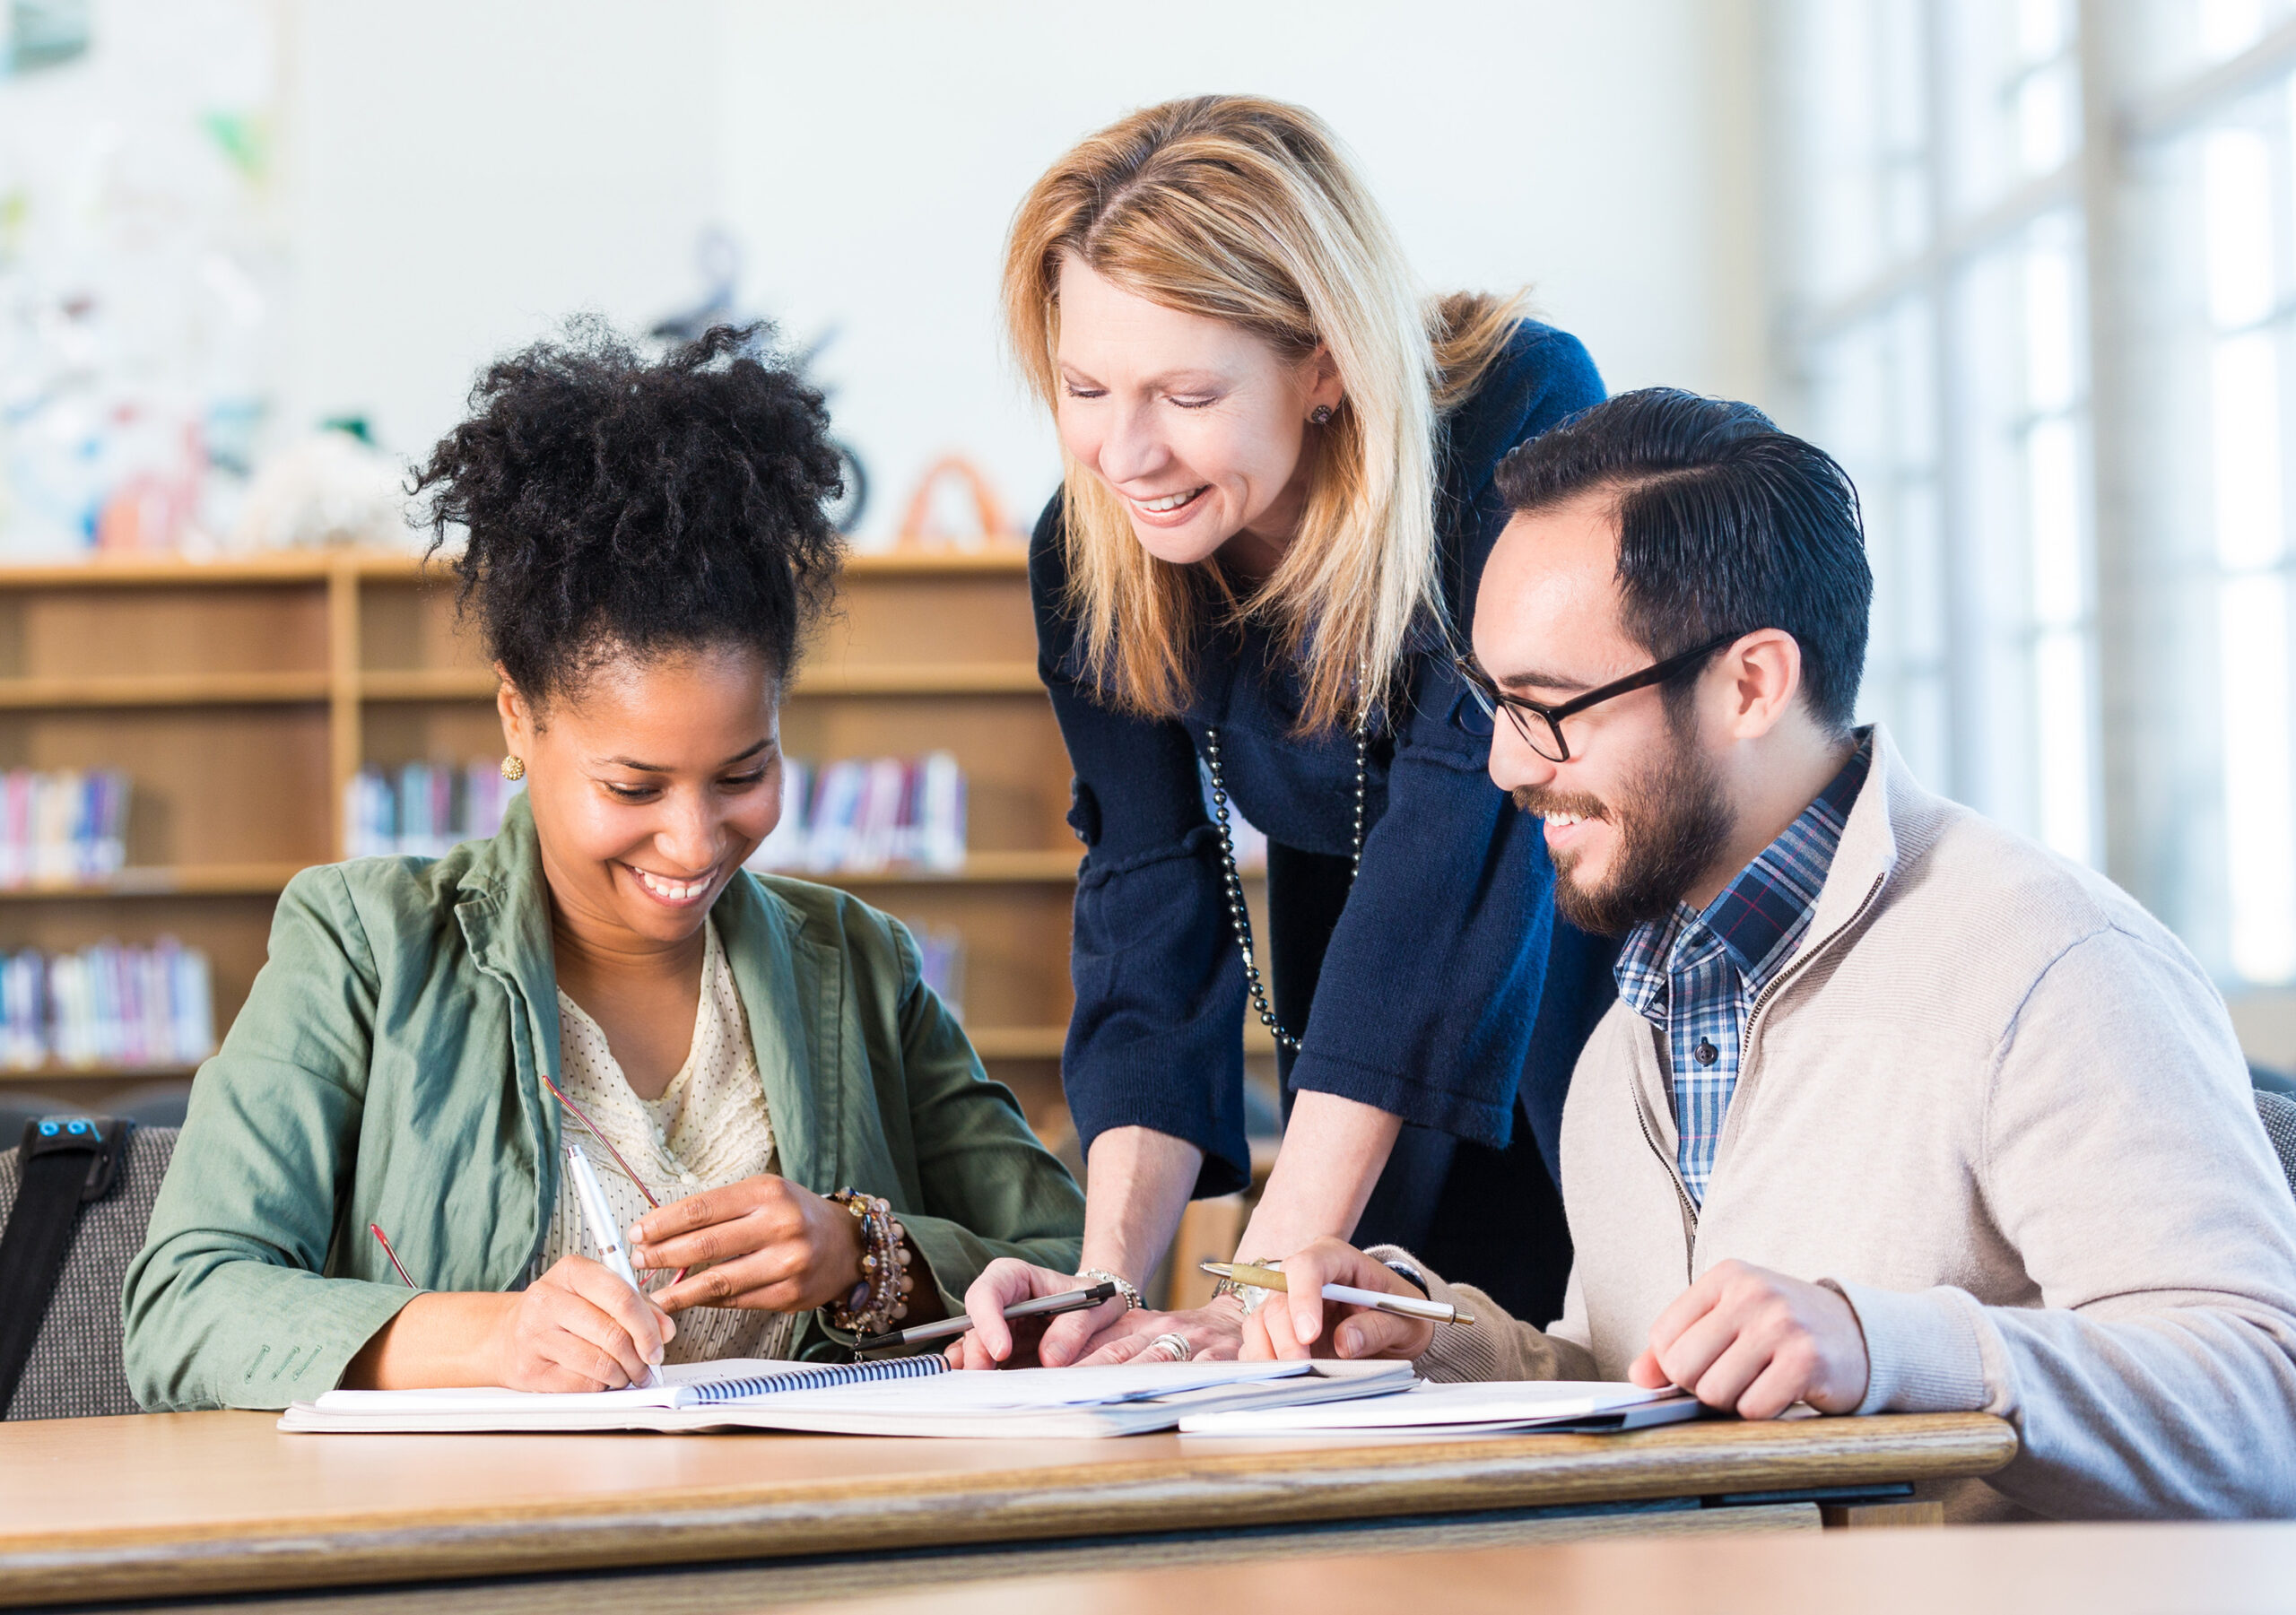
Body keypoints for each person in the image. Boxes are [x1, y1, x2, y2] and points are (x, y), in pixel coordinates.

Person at [1246, 388, 2296, 1520]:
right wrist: (1443, 1344)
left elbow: (2258, 1403)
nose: (1504, 765)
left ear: (1751, 684)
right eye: (1492, 703)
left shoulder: (2056, 967)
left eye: (1549, 707)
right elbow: (1647, 1397)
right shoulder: (1624, 1031)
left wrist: (1877, 1342)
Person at [122, 326, 1084, 1411]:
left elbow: (1073, 1268)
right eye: (633, 787)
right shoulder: (365, 947)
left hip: (811, 1547)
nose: (693, 841)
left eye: (742, 775)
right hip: (482, 1557)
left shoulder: (858, 964)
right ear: (517, 718)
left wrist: (865, 1257)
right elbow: (184, 1305)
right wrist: (489, 1338)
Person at [955, 95, 1615, 1368]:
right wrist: (1103, 1285)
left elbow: (1457, 843)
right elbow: (1147, 905)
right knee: (1346, 1374)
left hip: (1583, 970)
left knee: (1574, 1373)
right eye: (1085, 387)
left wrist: (1261, 1278)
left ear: (1324, 364)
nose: (1123, 451)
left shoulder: (1515, 414)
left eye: (1186, 393)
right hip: (1359, 1009)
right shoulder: (1089, 548)